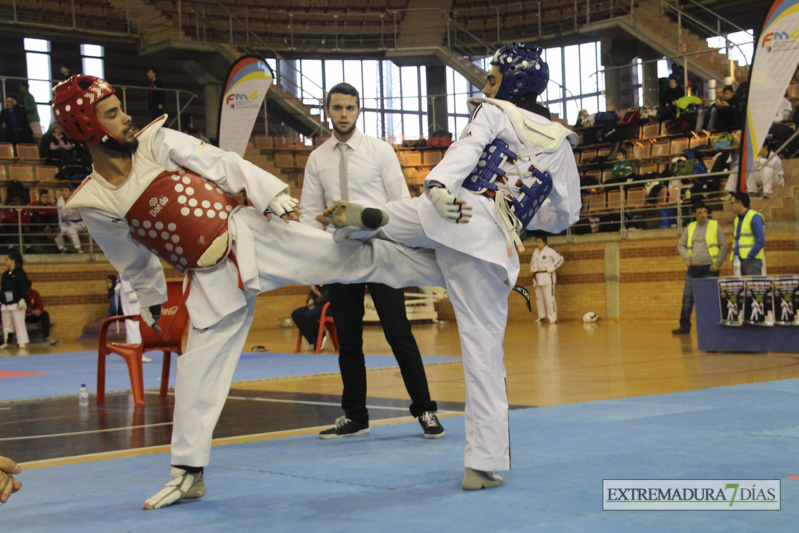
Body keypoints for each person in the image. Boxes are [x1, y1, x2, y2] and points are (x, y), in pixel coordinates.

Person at [51, 74, 444, 510]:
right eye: (111, 114)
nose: (126, 118)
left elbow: (221, 163)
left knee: (358, 260)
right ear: (86, 127)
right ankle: (187, 473)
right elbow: (130, 255)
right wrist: (149, 296)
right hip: (210, 277)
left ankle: (451, 271)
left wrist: (269, 194)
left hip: (252, 233)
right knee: (197, 370)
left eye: (120, 108)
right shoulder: (94, 201)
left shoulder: (157, 142)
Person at [318, 42, 580, 490]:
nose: (486, 84)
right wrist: (517, 211)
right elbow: (566, 214)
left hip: (444, 209)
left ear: (514, 82)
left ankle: (367, 224)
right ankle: (481, 465)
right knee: (483, 356)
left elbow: (465, 150)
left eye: (493, 77)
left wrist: (438, 185)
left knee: (393, 225)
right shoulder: (561, 145)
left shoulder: (494, 111)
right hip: (488, 239)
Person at [301, 82, 445, 439]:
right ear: (328, 111)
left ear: (358, 111)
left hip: (382, 252)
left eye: (350, 108)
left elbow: (400, 203)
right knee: (349, 341)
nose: (344, 114)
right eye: (337, 108)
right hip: (341, 255)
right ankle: (355, 416)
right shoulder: (317, 159)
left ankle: (425, 410)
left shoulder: (380, 151)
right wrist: (312, 265)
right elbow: (307, 215)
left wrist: (406, 251)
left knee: (399, 333)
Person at [672, 202, 727, 334]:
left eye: (704, 212)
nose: (703, 215)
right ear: (694, 214)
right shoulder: (690, 227)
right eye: (700, 212)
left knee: (710, 298)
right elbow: (681, 245)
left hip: (710, 268)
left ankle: (712, 325)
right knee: (687, 298)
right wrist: (687, 258)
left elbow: (723, 246)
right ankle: (684, 326)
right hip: (693, 268)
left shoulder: (714, 225)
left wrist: (717, 264)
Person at [529, 235, 564, 325]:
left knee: (549, 298)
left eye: (540, 242)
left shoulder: (550, 251)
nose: (538, 244)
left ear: (544, 242)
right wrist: (532, 268)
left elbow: (560, 258)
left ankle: (552, 317)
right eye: (537, 242)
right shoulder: (536, 251)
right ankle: (541, 317)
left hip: (547, 275)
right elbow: (533, 262)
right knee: (539, 299)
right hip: (537, 276)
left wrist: (552, 267)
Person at [730, 191, 765, 276]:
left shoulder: (754, 217)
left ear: (739, 203)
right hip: (739, 261)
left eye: (732, 203)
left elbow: (760, 240)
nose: (731, 206)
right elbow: (737, 239)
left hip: (752, 261)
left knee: (753, 287)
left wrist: (750, 256)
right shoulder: (737, 219)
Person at [1, 249, 30, 350]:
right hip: (6, 303)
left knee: (19, 323)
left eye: (7, 259)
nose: (5, 261)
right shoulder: (5, 274)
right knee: (6, 324)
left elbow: (23, 287)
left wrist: (22, 299)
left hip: (17, 303)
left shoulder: (20, 273)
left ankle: (22, 342)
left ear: (12, 260)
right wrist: (1, 300)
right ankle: (6, 341)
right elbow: (3, 288)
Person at [291, 284, 331, 351]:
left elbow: (327, 296)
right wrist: (310, 299)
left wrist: (314, 303)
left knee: (309, 315)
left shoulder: (331, 281)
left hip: (328, 307)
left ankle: (319, 338)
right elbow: (312, 293)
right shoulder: (317, 280)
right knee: (296, 314)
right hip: (316, 305)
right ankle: (314, 339)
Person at [54, 184, 85, 253]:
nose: (64, 193)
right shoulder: (60, 201)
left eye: (66, 191)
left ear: (71, 192)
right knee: (57, 232)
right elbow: (59, 215)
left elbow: (84, 213)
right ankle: (62, 248)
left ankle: (78, 248)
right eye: (63, 191)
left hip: (78, 223)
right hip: (65, 223)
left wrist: (86, 225)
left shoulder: (77, 200)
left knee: (71, 230)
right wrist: (60, 225)